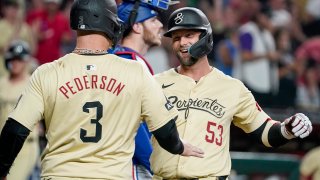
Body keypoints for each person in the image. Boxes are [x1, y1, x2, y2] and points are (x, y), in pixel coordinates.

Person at [0, 1, 204, 180]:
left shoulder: (47, 73)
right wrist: (179, 147)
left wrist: (2, 171)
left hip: (60, 174)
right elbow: (165, 131)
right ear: (111, 24)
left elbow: (15, 130)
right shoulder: (134, 70)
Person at [150, 7, 313, 179]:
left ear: (206, 37)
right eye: (176, 38)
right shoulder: (155, 83)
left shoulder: (232, 88)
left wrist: (287, 128)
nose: (182, 42)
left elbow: (266, 132)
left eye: (189, 35)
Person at [114, 0, 176, 178]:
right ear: (137, 26)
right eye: (153, 20)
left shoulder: (120, 58)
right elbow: (133, 126)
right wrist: (155, 165)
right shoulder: (129, 63)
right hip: (129, 166)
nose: (160, 25)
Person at [0, 40, 40, 180]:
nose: (16, 63)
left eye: (20, 59)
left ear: (26, 61)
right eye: (14, 59)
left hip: (25, 145)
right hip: (3, 142)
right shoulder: (2, 83)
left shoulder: (33, 83)